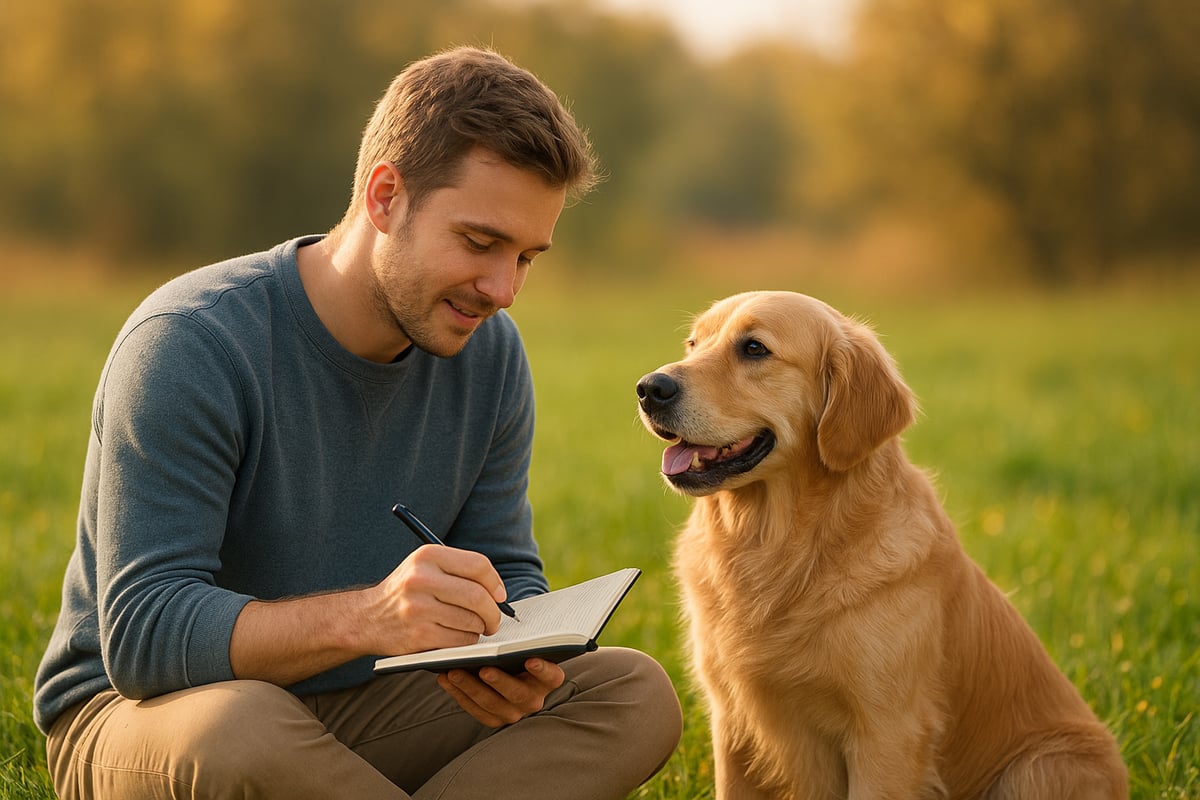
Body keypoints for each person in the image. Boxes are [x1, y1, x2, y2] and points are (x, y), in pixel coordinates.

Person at [34, 46, 682, 799]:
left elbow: (504, 566)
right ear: (384, 197)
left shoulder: (489, 353)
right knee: (244, 730)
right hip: (154, 712)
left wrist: (515, 652)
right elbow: (146, 636)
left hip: (369, 698)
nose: (503, 290)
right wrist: (371, 618)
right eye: (479, 243)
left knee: (631, 693)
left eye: (527, 257)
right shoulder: (191, 341)